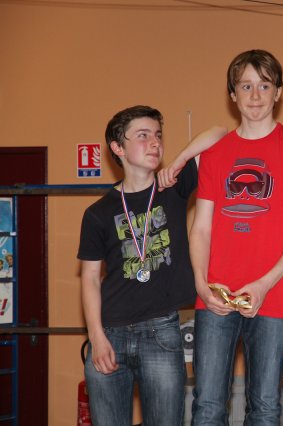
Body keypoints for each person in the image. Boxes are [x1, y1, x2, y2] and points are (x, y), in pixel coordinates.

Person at [189, 49, 283, 425]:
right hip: (215, 295)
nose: (255, 95)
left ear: (278, 92)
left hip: (274, 295)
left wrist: (264, 284)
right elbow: (200, 228)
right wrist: (200, 284)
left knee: (265, 406)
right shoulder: (215, 154)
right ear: (232, 94)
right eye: (245, 86)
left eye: (264, 86)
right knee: (207, 406)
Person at [78, 105, 226, 426]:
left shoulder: (172, 188)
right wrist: (96, 337)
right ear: (118, 147)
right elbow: (89, 278)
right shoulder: (97, 213)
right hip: (110, 333)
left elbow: (220, 133)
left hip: (161, 333)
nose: (155, 143)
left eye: (158, 135)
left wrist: (180, 159)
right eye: (143, 136)